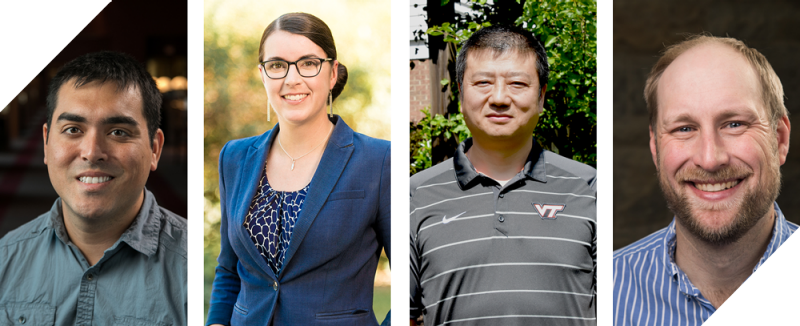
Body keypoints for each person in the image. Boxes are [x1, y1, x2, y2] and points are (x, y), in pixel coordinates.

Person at [206, 13, 391, 326]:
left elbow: (413, 279)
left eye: (308, 63)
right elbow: (229, 269)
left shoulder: (379, 160)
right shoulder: (234, 158)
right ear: (263, 74)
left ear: (332, 73)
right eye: (277, 65)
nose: (292, 79)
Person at [409, 25, 597, 326]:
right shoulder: (414, 196)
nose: (499, 97)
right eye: (482, 82)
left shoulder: (591, 189)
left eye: (517, 84)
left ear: (541, 96)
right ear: (460, 94)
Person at [612, 35, 797, 325]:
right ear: (655, 148)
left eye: (734, 124)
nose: (710, 159)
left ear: (780, 140)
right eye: (684, 128)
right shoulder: (605, 291)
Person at [0, 51, 187, 325]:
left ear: (154, 149)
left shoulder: (193, 269)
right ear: (46, 142)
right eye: (73, 129)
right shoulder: (5, 259)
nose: (91, 152)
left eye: (118, 132)